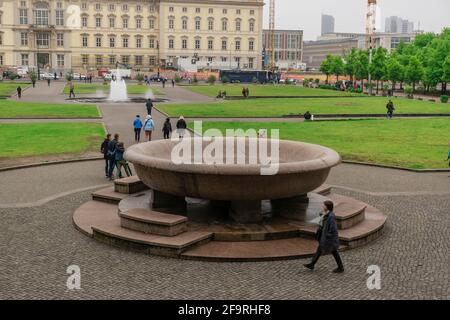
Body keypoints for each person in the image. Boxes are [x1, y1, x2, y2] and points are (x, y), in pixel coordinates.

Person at [304, 200, 345, 273]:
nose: (323, 206)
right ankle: (312, 264)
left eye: (324, 205)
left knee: (334, 251)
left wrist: (327, 235)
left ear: (327, 207)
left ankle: (340, 267)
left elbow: (333, 228)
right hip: (325, 236)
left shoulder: (331, 216)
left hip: (329, 238)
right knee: (320, 249)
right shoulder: (326, 214)